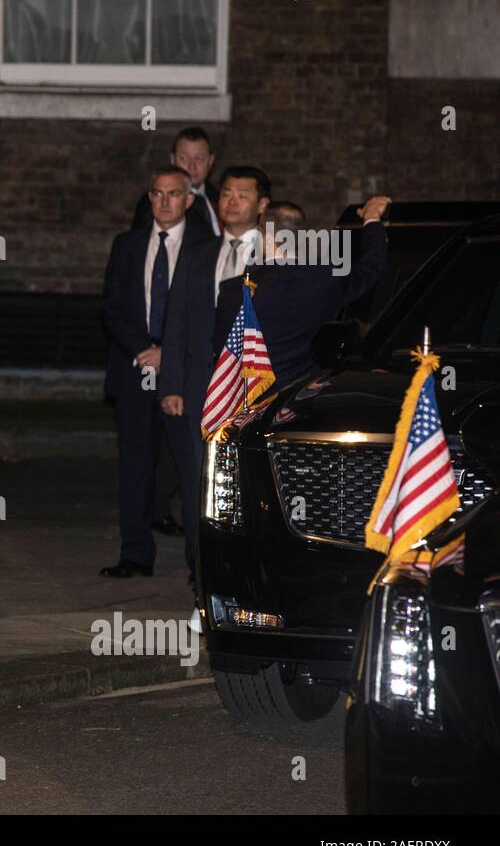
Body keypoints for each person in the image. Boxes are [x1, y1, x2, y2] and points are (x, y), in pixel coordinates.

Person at [158, 166, 271, 584]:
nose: (232, 201)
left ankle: (249, 569)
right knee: (197, 484)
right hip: (200, 389)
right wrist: (171, 384)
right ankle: (201, 568)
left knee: (250, 484)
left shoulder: (278, 253)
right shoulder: (198, 252)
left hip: (257, 390)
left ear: (262, 205)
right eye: (225, 193)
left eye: (243, 194)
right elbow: (177, 323)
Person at [99, 166, 206, 579]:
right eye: (158, 194)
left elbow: (206, 312)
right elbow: (111, 306)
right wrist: (143, 349)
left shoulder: (205, 247)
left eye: (174, 194)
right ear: (149, 198)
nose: (164, 202)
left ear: (189, 200)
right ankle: (135, 554)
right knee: (135, 465)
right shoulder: (126, 244)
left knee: (189, 466)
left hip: (182, 373)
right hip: (135, 369)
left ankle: (200, 562)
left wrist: (170, 353)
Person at [210, 197, 390, 388]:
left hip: (251, 402)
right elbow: (372, 266)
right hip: (302, 398)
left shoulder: (233, 291)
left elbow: (223, 354)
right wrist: (372, 218)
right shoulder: (326, 279)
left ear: (267, 237)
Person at [131, 127, 221, 241]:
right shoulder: (154, 201)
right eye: (184, 158)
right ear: (173, 159)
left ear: (211, 161)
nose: (192, 166)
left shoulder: (219, 196)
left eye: (199, 159)